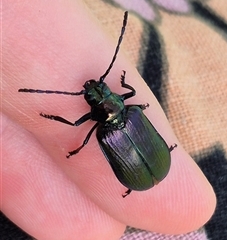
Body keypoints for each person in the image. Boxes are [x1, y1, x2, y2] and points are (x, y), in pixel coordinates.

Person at [2, 1, 216, 239]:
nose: (94, 89)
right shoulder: (132, 111)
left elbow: (77, 127)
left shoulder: (107, 130)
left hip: (151, 168)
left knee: (77, 128)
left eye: (96, 94)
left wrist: (66, 136)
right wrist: (122, 82)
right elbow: (128, 95)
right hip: (153, 165)